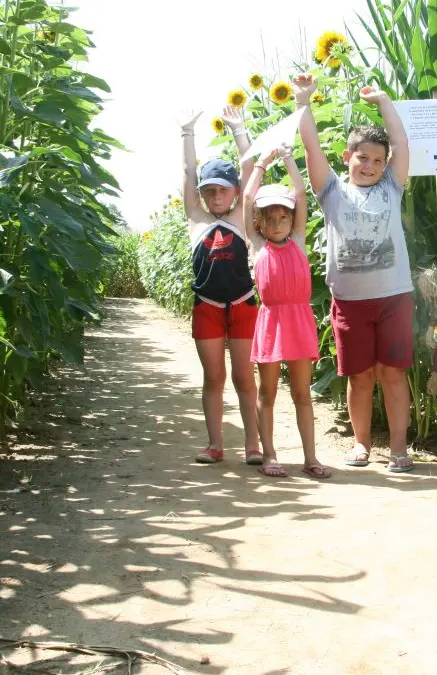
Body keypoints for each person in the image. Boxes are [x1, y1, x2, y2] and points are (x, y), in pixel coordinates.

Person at [291, 73, 416, 473]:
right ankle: (361, 445)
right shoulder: (331, 190)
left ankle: (398, 449)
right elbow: (310, 146)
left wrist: (384, 103)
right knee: (360, 378)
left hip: (394, 296)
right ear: (347, 158)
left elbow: (402, 144)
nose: (372, 165)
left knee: (393, 374)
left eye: (379, 160)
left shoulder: (392, 187)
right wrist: (302, 102)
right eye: (363, 157)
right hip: (348, 302)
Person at [239, 145, 332, 479]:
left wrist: (290, 159)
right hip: (271, 322)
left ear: (292, 219)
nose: (277, 223)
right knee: (267, 391)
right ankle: (270, 455)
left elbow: (300, 193)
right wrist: (261, 165)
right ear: (259, 223)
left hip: (299, 320)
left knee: (302, 394)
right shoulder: (257, 245)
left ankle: (311, 458)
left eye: (284, 217)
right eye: (270, 218)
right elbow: (247, 201)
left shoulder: (298, 239)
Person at [179, 106, 261, 465]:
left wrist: (239, 130)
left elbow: (248, 168)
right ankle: (215, 444)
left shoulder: (242, 218)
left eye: (222, 191)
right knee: (214, 378)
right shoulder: (195, 219)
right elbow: (188, 172)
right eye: (208, 191)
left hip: (243, 306)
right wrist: (187, 133)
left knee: (245, 379)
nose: (214, 198)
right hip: (207, 308)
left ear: (235, 193)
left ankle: (253, 446)